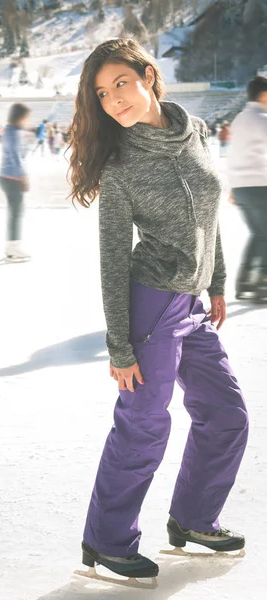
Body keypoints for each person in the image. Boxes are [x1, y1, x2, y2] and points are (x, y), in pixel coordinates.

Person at [68, 38, 248, 582]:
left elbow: (209, 212)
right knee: (144, 426)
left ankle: (194, 519)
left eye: (120, 83)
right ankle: (106, 540)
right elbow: (111, 259)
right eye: (102, 94)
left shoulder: (192, 133)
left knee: (225, 414)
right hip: (149, 303)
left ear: (148, 75)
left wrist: (215, 281)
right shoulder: (121, 166)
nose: (113, 100)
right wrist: (119, 346)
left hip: (192, 301)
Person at [227, 75, 267, 302]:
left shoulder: (240, 118)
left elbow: (234, 154)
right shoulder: (261, 118)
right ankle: (262, 282)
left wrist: (233, 186)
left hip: (241, 186)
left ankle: (244, 280)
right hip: (259, 184)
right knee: (265, 234)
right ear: (263, 94)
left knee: (258, 233)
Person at [0, 103, 31, 262]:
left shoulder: (10, 131)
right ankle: (13, 248)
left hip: (7, 176)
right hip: (12, 177)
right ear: (20, 117)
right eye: (26, 117)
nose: (28, 120)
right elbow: (17, 157)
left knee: (15, 212)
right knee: (16, 212)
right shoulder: (14, 133)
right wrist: (23, 177)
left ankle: (12, 246)